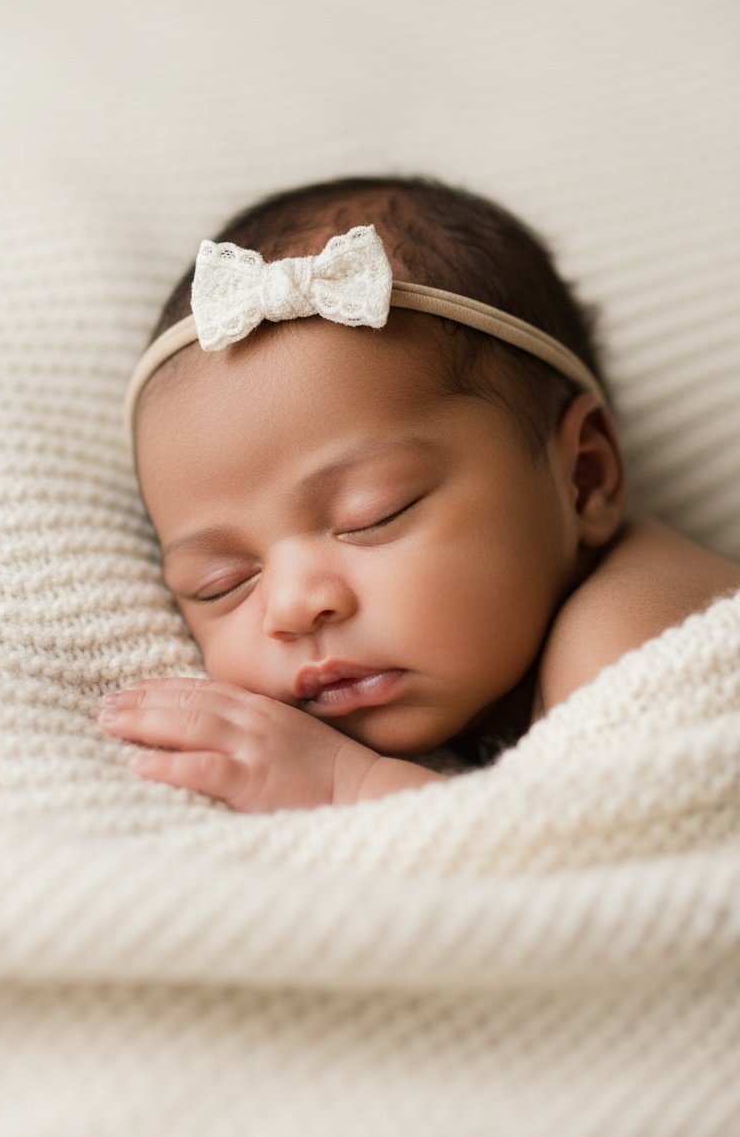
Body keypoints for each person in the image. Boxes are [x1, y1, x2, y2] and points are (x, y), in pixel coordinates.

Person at [98, 176, 740, 811]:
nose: (292, 607)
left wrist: (349, 785)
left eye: (374, 515)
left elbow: (618, 849)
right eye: (221, 582)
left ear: (584, 477)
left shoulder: (636, 628)